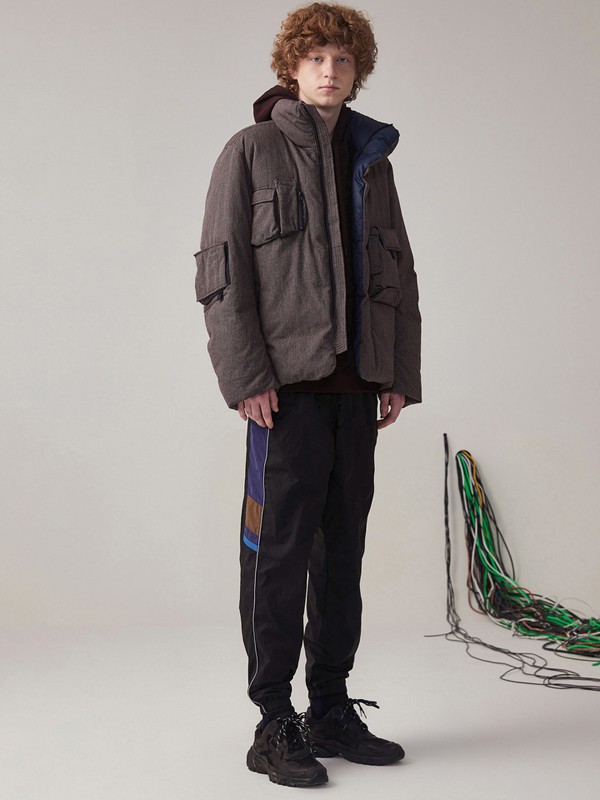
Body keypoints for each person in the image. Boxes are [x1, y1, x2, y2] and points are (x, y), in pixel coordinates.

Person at [194, 2, 421, 788]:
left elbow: (399, 271)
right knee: (276, 553)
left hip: (357, 389)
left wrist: (397, 373)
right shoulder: (251, 150)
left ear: (359, 70)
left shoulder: (373, 159)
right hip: (284, 394)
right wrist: (246, 377)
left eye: (343, 59)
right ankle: (272, 720)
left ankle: (329, 707)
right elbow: (222, 274)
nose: (330, 70)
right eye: (316, 57)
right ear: (291, 67)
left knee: (342, 552)